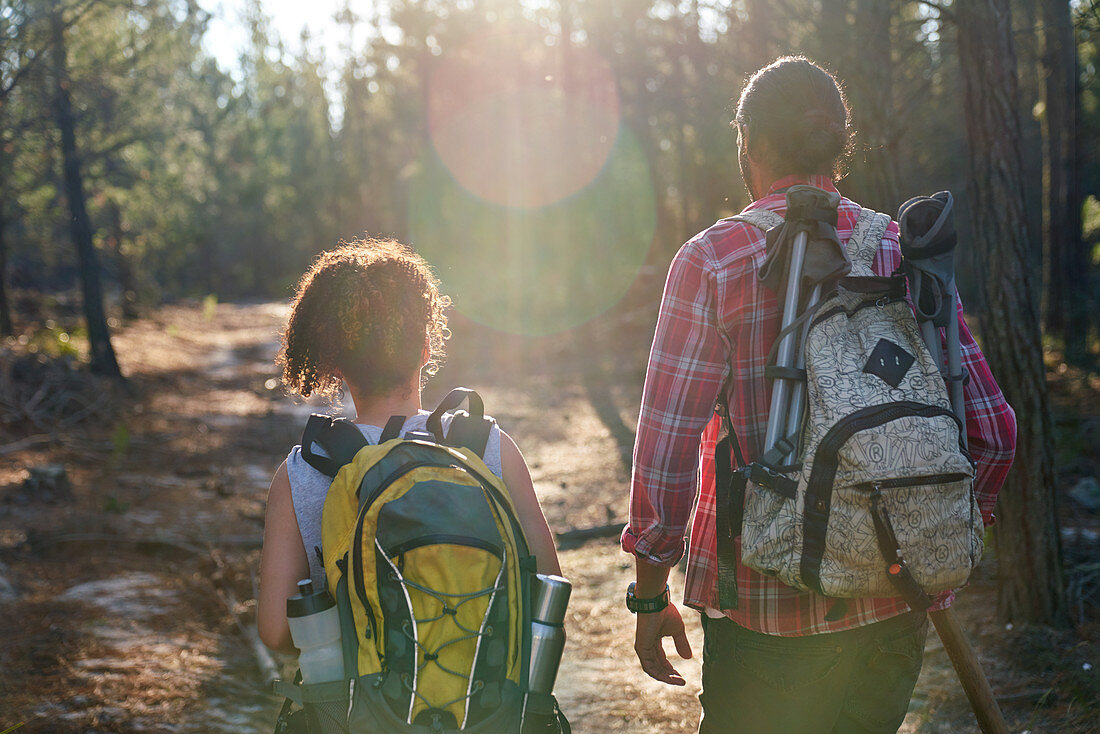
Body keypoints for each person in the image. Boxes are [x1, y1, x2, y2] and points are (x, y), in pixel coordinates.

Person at [621, 56, 1017, 733]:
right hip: (895, 606)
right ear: (839, 142)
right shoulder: (900, 247)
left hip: (766, 609)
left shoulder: (714, 260)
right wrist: (931, 536)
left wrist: (650, 591)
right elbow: (994, 430)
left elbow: (668, 445)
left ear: (748, 143)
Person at [257, 237, 561, 654]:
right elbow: (549, 586)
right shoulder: (487, 447)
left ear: (336, 363)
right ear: (425, 347)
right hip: (484, 703)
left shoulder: (303, 473)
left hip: (358, 713)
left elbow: (276, 631)